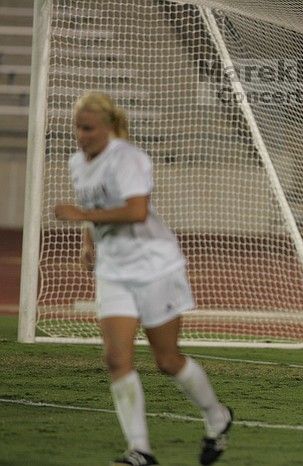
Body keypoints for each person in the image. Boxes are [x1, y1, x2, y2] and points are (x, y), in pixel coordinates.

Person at [54, 91, 232, 466]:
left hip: (154, 266)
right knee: (116, 358)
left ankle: (217, 416)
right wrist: (88, 243)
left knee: (166, 360)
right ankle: (140, 450)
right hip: (114, 271)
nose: (80, 135)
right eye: (77, 128)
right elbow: (97, 209)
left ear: (107, 128)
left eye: (88, 128)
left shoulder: (128, 159)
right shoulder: (77, 163)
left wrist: (80, 213)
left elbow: (136, 211)